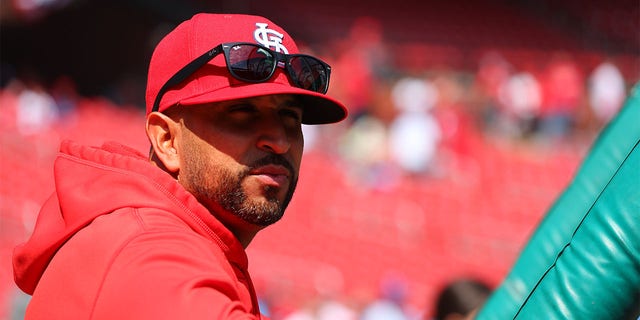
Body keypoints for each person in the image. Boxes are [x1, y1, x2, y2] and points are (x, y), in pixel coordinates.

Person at [12, 13, 347, 319]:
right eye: (243, 112)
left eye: (290, 117)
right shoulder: (150, 253)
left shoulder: (173, 241)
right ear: (167, 141)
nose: (281, 141)